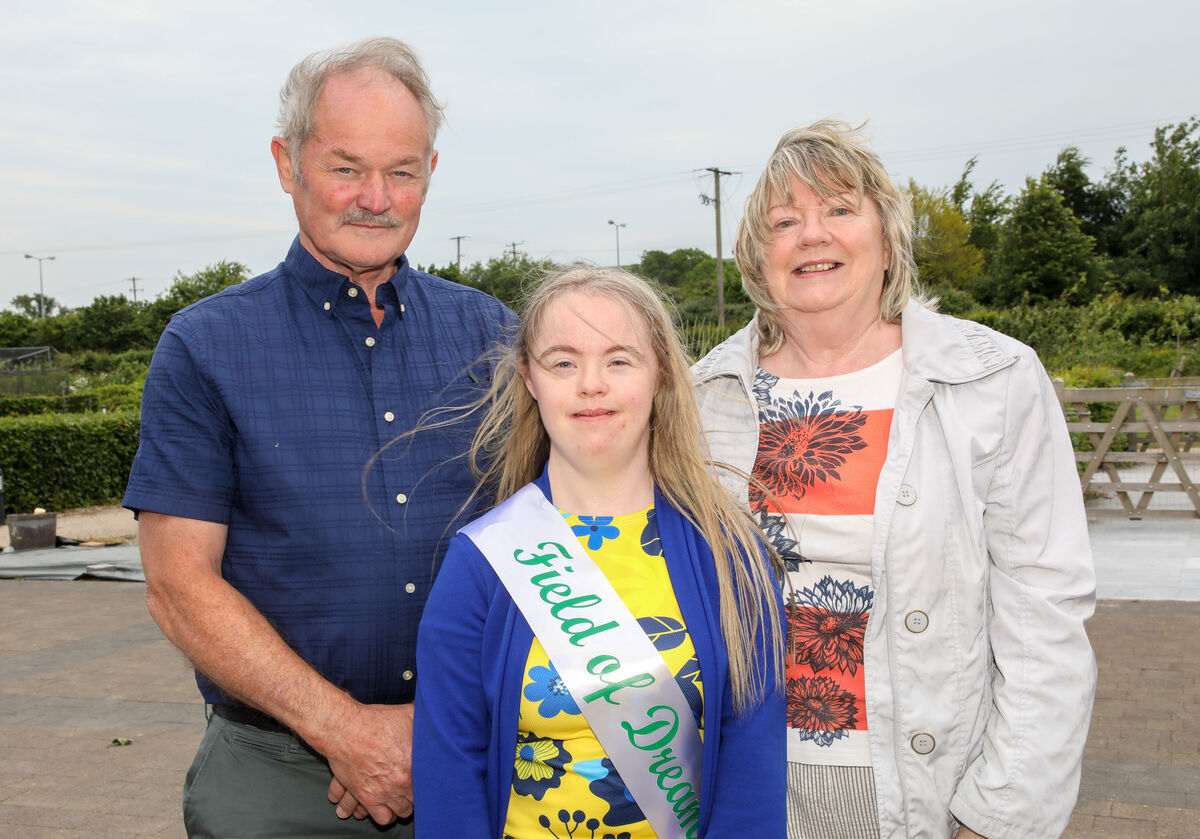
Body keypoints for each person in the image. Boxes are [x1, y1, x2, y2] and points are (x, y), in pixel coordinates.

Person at [123, 38, 514, 837]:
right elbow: (179, 585)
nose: (375, 197)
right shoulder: (205, 345)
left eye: (401, 171)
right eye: (346, 168)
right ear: (286, 161)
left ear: (430, 172)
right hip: (278, 778)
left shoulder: (498, 335)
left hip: (478, 759)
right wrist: (348, 730)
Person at [692, 120, 1097, 839]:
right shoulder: (701, 398)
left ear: (887, 240)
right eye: (785, 221)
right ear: (758, 255)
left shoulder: (994, 382)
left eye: (840, 210)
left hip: (928, 795)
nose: (812, 235)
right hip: (748, 793)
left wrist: (1000, 815)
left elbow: (1045, 615)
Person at [412, 265, 787, 838]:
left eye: (619, 360)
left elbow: (751, 780)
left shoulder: (731, 555)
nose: (592, 384)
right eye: (563, 362)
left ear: (660, 371)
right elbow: (450, 775)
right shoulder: (481, 562)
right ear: (529, 379)